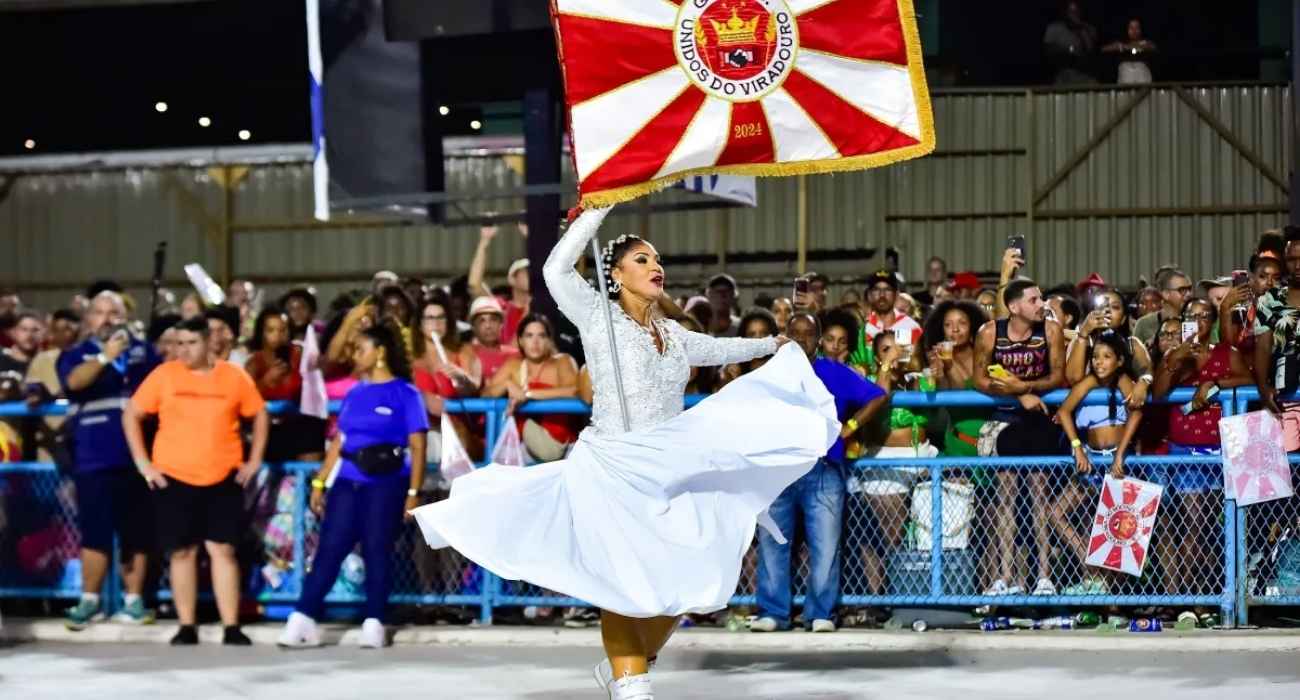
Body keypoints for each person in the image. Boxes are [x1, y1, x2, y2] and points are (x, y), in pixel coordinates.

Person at [412, 207, 836, 700]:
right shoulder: (598, 317)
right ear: (615, 275)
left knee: (689, 582)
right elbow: (554, 271)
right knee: (622, 583)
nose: (656, 265)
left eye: (658, 259)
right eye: (642, 258)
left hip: (668, 469)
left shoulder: (674, 335)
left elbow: (720, 349)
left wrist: (772, 344)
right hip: (612, 465)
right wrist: (596, 212)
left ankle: (627, 668)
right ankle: (633, 685)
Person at [278, 324, 429, 649]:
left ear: (380, 353)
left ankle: (374, 621)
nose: (354, 355)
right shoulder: (355, 393)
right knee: (329, 550)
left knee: (377, 550)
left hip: (387, 483)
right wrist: (320, 481)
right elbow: (339, 441)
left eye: (361, 349)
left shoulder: (406, 393)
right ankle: (302, 618)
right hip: (347, 482)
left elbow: (418, 446)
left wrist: (413, 494)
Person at [123, 317, 269, 646]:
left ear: (208, 343)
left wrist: (255, 460)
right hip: (174, 476)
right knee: (182, 553)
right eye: (178, 343)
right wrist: (143, 464)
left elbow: (259, 414)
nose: (183, 350)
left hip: (223, 475)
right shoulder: (164, 375)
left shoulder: (233, 376)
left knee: (223, 550)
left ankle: (231, 626)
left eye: (191, 343)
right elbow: (131, 414)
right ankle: (186, 625)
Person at [751, 313, 884, 633]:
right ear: (786, 335)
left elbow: (877, 396)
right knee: (772, 542)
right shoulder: (771, 373)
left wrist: (849, 428)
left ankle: (820, 613)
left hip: (823, 469)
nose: (801, 339)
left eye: (808, 334)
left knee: (825, 546)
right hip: (778, 470)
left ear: (819, 339)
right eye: (795, 333)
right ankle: (773, 613)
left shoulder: (833, 371)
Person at [57, 291, 160, 628]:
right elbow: (74, 383)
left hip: (137, 457)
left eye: (113, 312)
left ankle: (133, 600)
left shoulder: (144, 353)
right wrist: (105, 358)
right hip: (94, 457)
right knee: (95, 532)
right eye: (99, 312)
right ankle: (90, 601)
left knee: (137, 533)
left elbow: (158, 388)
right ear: (88, 319)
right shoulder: (75, 354)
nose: (107, 319)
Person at [973, 278, 1066, 596]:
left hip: (1038, 418)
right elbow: (980, 380)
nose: (1042, 305)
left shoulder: (1050, 331)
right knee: (1005, 499)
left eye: (1041, 298)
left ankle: (1043, 577)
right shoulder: (989, 333)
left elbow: (1058, 376)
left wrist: (1023, 389)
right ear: (1013, 307)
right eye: (1034, 300)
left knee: (1039, 497)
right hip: (1002, 420)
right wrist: (1018, 394)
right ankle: (1005, 576)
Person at [1153, 298, 1251, 593]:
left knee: (1209, 528)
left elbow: (1249, 377)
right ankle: (1187, 594)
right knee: (1193, 526)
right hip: (1186, 451)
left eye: (1204, 316)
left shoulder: (1226, 352)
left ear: (1213, 321)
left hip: (1222, 449)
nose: (1197, 321)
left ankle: (1203, 593)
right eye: (1191, 316)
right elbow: (1158, 393)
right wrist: (1175, 358)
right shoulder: (1175, 355)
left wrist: (1214, 383)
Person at [1051, 330, 1143, 595]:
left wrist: (1121, 454)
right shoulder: (1089, 382)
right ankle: (1093, 569)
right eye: (1095, 357)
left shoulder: (1125, 380)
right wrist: (1077, 447)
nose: (1099, 362)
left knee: (1117, 528)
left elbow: (1136, 414)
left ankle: (1115, 599)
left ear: (1119, 361)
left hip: (1117, 464)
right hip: (1092, 461)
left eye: (1106, 357)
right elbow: (1064, 411)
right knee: (1056, 513)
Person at [483, 313, 581, 462]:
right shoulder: (513, 365)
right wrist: (507, 384)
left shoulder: (562, 361)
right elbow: (485, 394)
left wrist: (528, 394)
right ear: (521, 340)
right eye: (529, 336)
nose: (535, 342)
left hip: (564, 446)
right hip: (524, 447)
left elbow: (573, 390)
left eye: (541, 336)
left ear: (549, 340)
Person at [245, 308, 326, 463]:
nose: (278, 335)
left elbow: (315, 388)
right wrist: (265, 382)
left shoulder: (301, 355)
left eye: (283, 329)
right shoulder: (253, 363)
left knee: (312, 427)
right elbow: (245, 398)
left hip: (300, 426)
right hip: (267, 430)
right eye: (271, 330)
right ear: (262, 333)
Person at [1065, 289, 1153, 403]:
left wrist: (1143, 382)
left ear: (1123, 319)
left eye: (1115, 307)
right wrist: (1083, 333)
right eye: (1102, 306)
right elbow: (1074, 379)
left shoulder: (1132, 344)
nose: (1107, 310)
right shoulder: (1082, 340)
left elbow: (1147, 372)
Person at [1255, 228, 1300, 416]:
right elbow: (1263, 347)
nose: (1297, 266)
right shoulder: (1269, 300)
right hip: (1285, 393)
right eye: (1291, 260)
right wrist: (1263, 387)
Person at [469, 221, 531, 342]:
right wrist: (484, 241)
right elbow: (474, 284)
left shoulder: (543, 304)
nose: (531, 274)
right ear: (512, 279)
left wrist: (532, 239)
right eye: (525, 271)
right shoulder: (500, 308)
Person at [467, 296, 521, 385]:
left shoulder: (516, 355)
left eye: (493, 319)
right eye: (482, 321)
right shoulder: (465, 354)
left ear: (501, 324)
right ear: (473, 326)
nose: (488, 326)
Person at [720, 309, 780, 388]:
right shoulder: (735, 367)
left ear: (772, 336)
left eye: (764, 333)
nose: (758, 338)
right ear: (744, 338)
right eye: (752, 334)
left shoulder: (781, 365)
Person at [1133, 268, 1193, 346]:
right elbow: (1135, 355)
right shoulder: (1144, 324)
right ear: (1166, 294)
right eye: (1182, 290)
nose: (1189, 294)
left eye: (1190, 289)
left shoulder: (1192, 321)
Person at [1043, 0, 1099, 84]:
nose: (1074, 14)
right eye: (1070, 11)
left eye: (1076, 11)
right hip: (1063, 75)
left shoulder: (1089, 29)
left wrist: (1082, 31)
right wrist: (1068, 51)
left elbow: (1092, 52)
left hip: (1086, 75)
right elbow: (1048, 52)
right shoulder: (1054, 28)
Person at [1103, 17, 1157, 84]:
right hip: (1125, 80)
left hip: (1143, 79)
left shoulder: (1146, 43)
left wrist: (1132, 47)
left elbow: (1153, 47)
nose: (1134, 31)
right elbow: (1104, 49)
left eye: (1137, 28)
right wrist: (1120, 47)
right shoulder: (1120, 43)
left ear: (1141, 29)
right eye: (1131, 28)